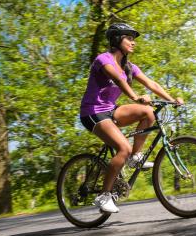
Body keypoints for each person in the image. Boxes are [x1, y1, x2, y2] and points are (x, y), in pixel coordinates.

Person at [79, 23, 184, 214]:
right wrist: (136, 97)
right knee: (123, 148)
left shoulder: (129, 67)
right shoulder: (103, 59)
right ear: (117, 39)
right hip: (92, 112)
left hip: (111, 110)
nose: (133, 43)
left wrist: (171, 99)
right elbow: (119, 81)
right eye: (129, 38)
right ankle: (104, 196)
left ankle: (135, 157)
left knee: (148, 113)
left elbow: (151, 83)